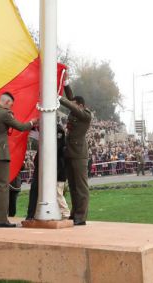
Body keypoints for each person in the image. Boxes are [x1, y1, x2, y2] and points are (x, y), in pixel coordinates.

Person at [0, 92, 36, 228]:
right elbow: (20, 127)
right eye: (11, 105)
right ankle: (2, 219)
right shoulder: (4, 114)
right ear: (7, 102)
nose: (11, 108)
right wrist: (32, 122)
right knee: (2, 186)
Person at [60, 84, 92, 226]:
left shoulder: (86, 115)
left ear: (80, 105)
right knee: (73, 186)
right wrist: (66, 84)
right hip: (70, 153)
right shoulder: (75, 112)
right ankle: (74, 213)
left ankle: (81, 216)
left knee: (81, 187)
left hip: (79, 154)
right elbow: (71, 99)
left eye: (74, 104)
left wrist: (59, 98)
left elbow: (71, 105)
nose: (71, 106)